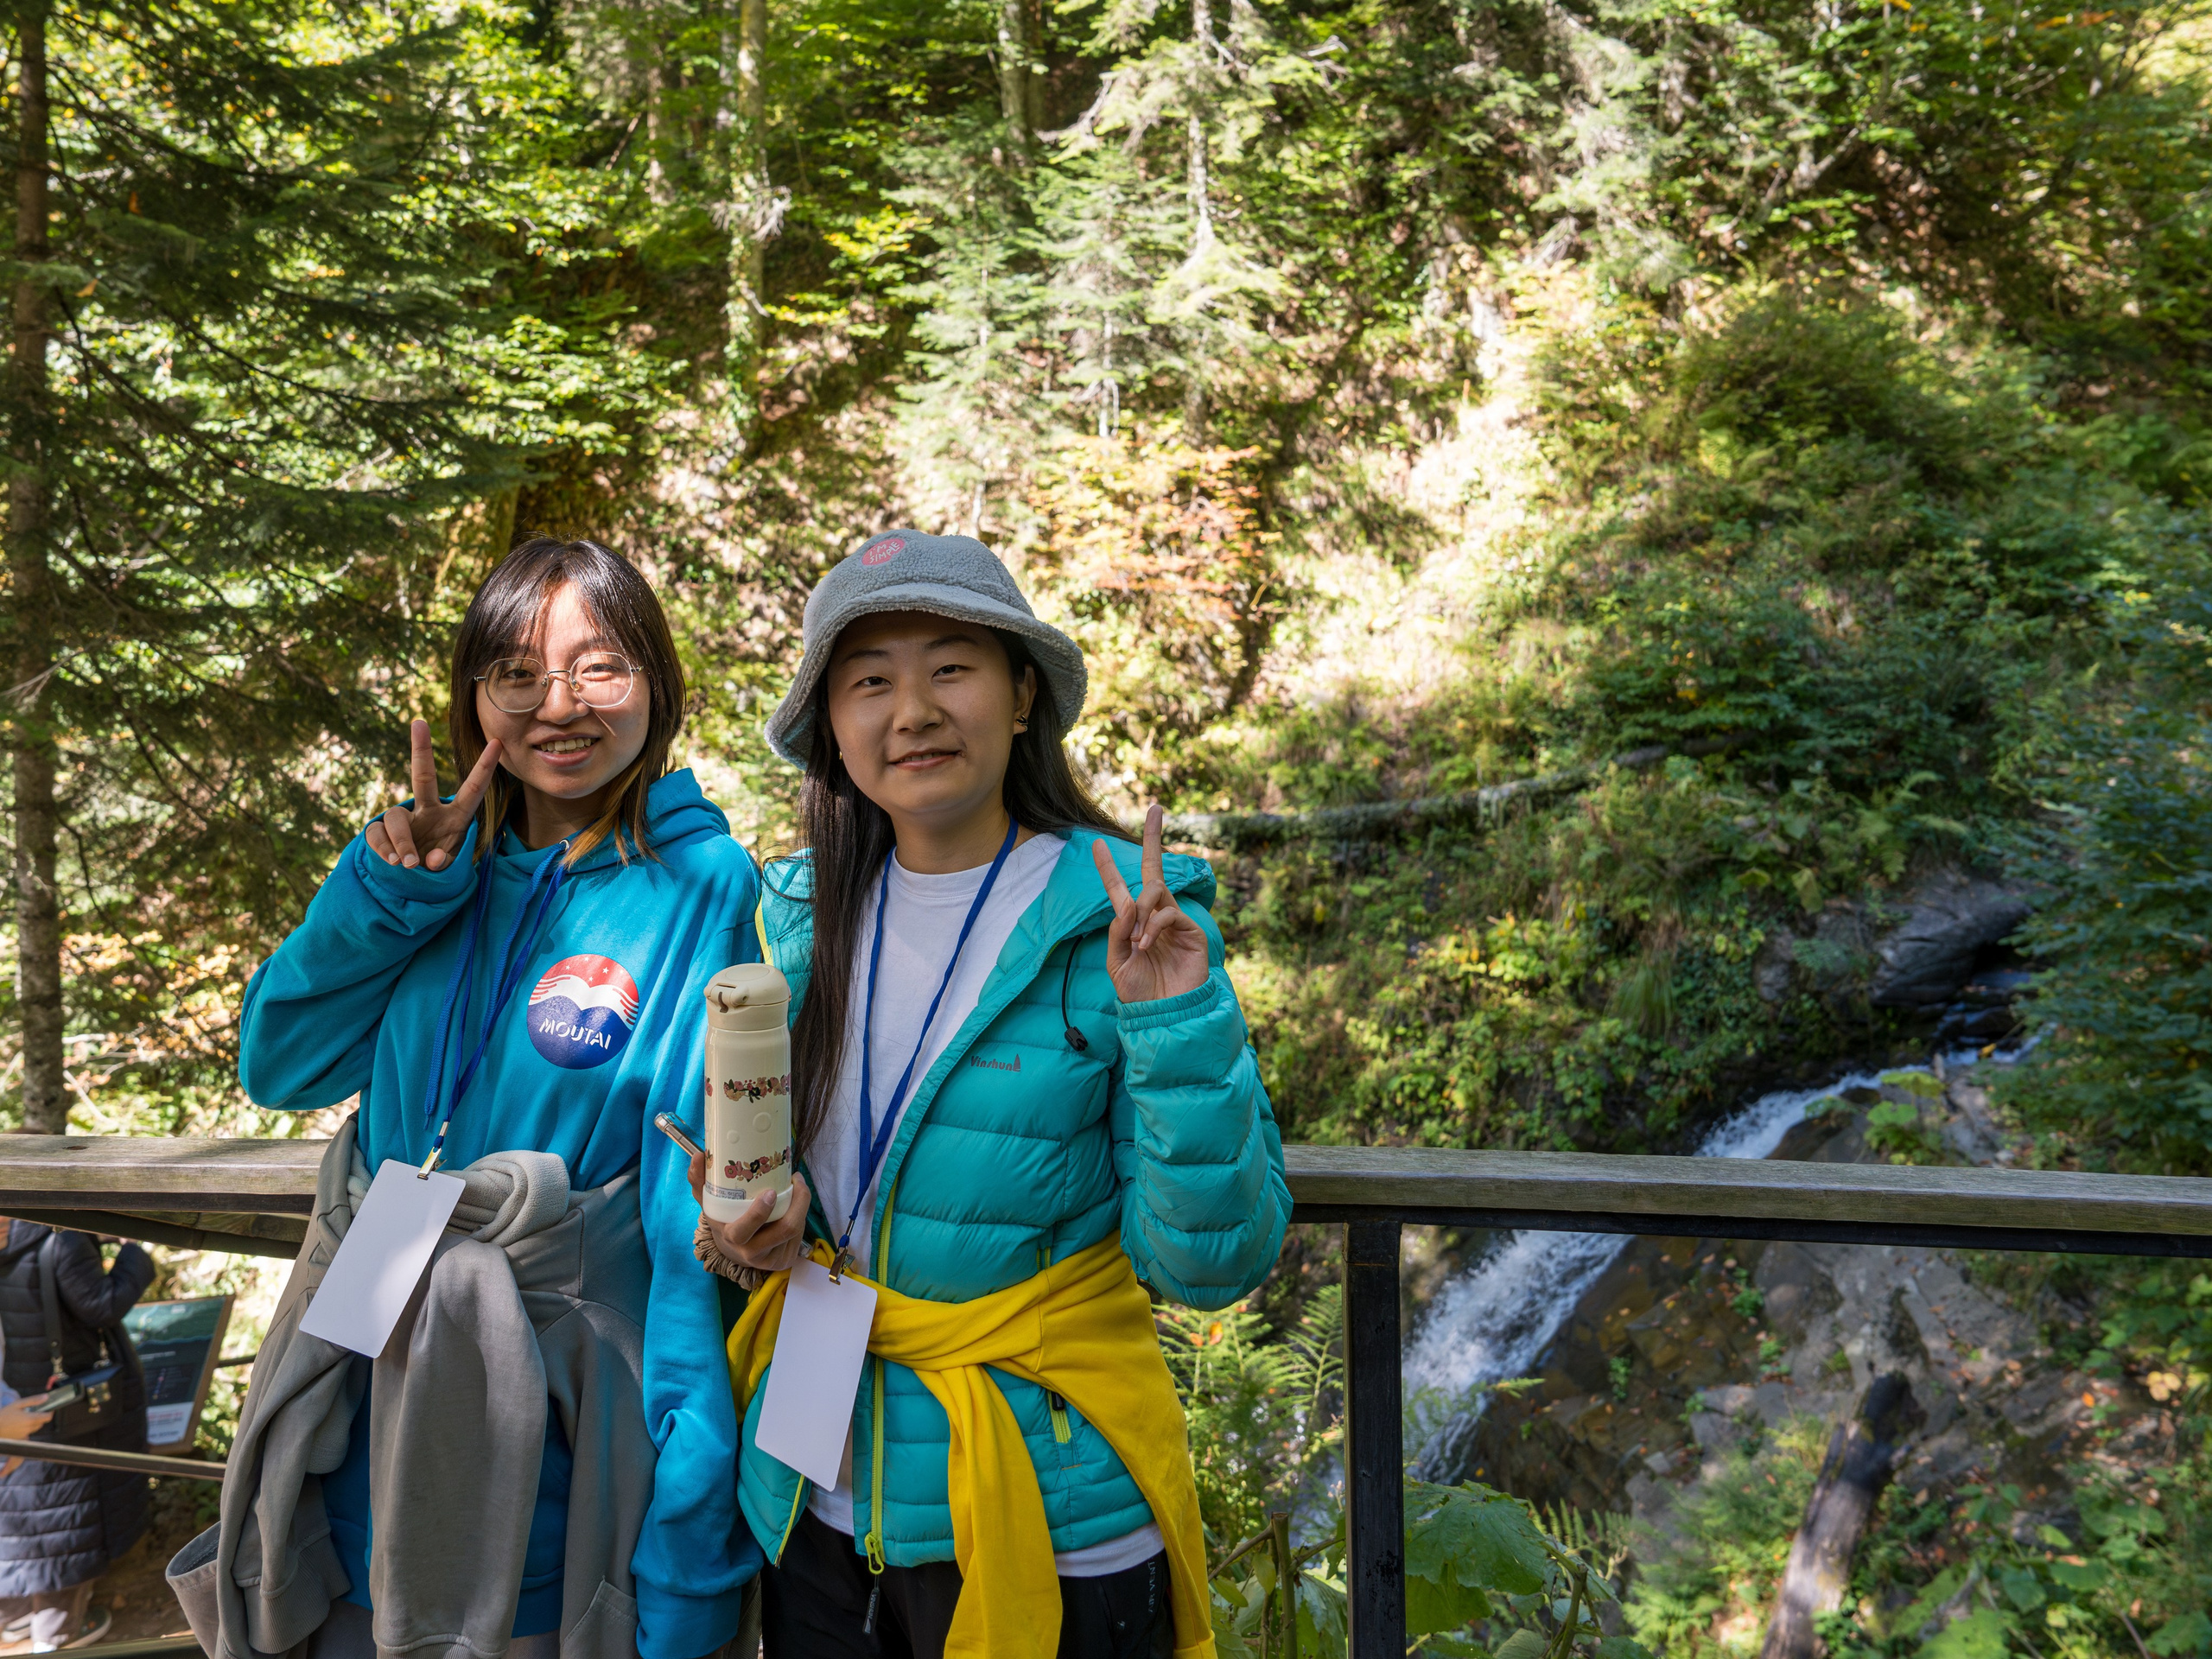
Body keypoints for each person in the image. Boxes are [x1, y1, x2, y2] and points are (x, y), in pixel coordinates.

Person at [696, 530, 1292, 1658]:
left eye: (949, 667)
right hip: (818, 1498)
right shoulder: (797, 925)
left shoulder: (1120, 925)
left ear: (1023, 697)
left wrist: (1173, 1017)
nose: (910, 709)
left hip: (1047, 1512)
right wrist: (747, 1235)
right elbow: (792, 1203)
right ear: (833, 726)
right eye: (869, 680)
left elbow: (1210, 1267)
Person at [235, 537, 762, 1659]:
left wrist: (689, 1562)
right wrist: (393, 896)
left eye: (599, 667)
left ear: (658, 687)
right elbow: (280, 1066)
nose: (556, 705)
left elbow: (680, 1235)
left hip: (552, 1425)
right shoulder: (419, 860)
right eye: (517, 673)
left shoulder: (700, 886)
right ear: (474, 697)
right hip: (362, 1369)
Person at [0, 1222, 152, 1651]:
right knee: (69, 1522)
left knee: (22, 1520)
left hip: (14, 1403)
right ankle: (57, 1636)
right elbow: (101, 1304)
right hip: (69, 1404)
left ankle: (13, 1623)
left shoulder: (12, 1238)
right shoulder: (61, 1235)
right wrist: (132, 1250)